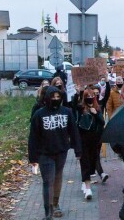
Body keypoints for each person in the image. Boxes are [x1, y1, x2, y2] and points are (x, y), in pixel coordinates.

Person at [28, 86, 81, 219]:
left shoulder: (67, 112)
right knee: (48, 181)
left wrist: (77, 150)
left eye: (58, 97)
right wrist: (33, 158)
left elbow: (74, 131)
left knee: (58, 178)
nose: (56, 99)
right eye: (53, 97)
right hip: (45, 154)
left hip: (61, 151)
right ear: (47, 98)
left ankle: (56, 204)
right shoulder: (39, 114)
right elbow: (33, 137)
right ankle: (48, 212)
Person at [76, 88, 106, 200]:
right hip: (83, 140)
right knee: (85, 163)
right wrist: (77, 93)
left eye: (91, 96)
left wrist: (96, 113)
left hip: (95, 140)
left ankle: (85, 182)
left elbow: (102, 122)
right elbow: (74, 104)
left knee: (93, 162)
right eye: (87, 96)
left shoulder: (97, 108)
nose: (89, 98)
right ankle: (88, 188)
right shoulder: (81, 108)